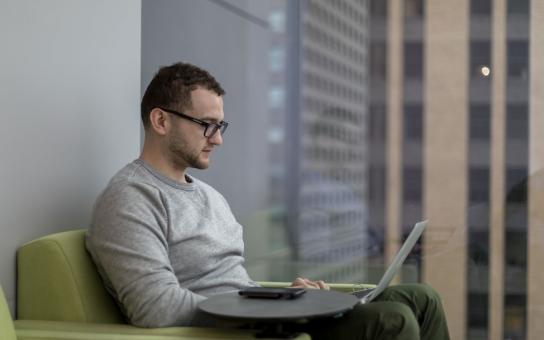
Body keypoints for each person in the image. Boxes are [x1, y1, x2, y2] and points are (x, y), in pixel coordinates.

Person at [86, 62, 450, 339]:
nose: (217, 139)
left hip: (259, 319)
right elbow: (155, 307)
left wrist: (289, 297)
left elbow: (233, 283)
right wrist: (265, 307)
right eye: (206, 125)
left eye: (220, 126)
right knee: (394, 320)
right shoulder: (130, 198)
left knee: (421, 297)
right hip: (235, 331)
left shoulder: (208, 196)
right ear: (161, 121)